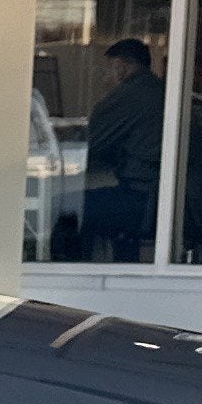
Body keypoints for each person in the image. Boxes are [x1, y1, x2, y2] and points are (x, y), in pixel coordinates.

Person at [82, 35, 164, 260]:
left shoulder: (131, 95)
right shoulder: (163, 91)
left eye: (108, 70)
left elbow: (91, 147)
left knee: (69, 210)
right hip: (163, 198)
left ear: (122, 68)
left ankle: (71, 277)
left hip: (141, 199)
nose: (105, 79)